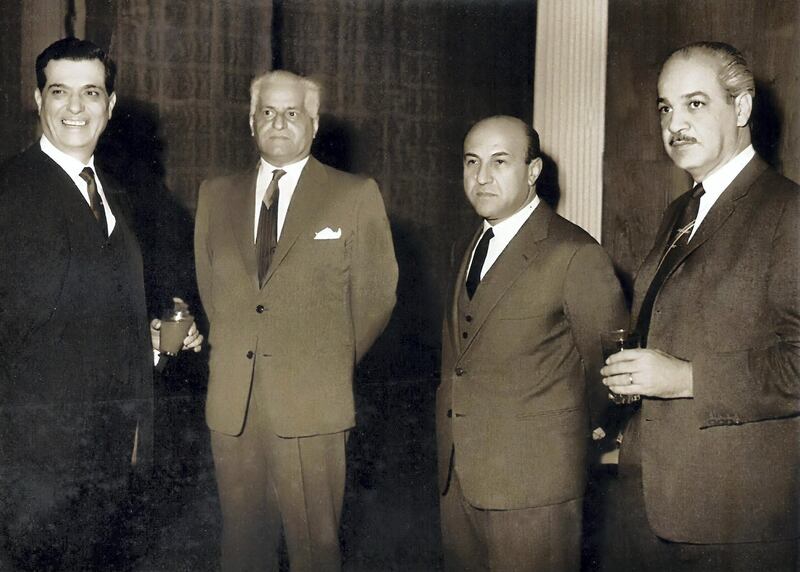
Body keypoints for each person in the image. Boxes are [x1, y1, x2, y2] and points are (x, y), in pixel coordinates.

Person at [0, 37, 201, 570]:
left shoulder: (116, 193)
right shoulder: (10, 192)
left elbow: (96, 311)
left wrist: (152, 338)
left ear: (110, 106)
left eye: (90, 92)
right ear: (36, 99)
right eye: (59, 91)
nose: (75, 107)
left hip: (112, 456)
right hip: (35, 469)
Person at [601, 42, 799, 571]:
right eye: (665, 107)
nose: (675, 124)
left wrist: (687, 379)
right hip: (651, 504)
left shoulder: (789, 213)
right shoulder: (680, 212)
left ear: (741, 109)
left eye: (695, 104)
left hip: (737, 521)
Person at [194, 70, 398, 571]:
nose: (279, 123)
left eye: (292, 113)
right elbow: (212, 292)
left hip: (313, 403)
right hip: (234, 405)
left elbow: (376, 297)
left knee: (316, 550)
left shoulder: (353, 194)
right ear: (250, 121)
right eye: (267, 112)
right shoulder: (214, 195)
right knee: (242, 549)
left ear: (314, 122)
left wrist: (326, 362)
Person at [437, 115, 628, 571]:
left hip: (533, 483)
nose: (481, 177)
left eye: (499, 162)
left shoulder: (574, 253)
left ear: (534, 171)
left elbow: (613, 367)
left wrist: (570, 433)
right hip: (459, 473)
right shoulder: (470, 246)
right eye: (472, 162)